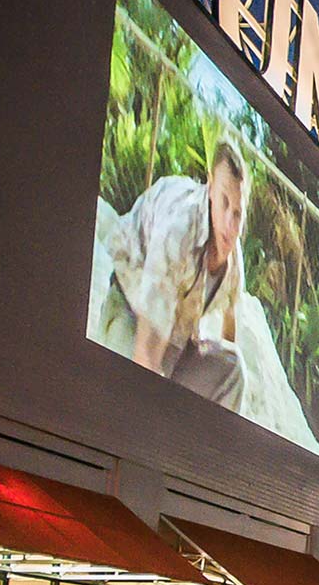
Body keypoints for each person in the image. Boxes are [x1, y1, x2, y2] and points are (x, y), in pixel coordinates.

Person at [100, 140, 250, 406]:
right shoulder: (180, 228)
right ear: (211, 187)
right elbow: (146, 351)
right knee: (127, 401)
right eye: (225, 203)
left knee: (233, 370)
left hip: (176, 342)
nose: (230, 222)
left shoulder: (234, 257)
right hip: (131, 312)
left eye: (238, 213)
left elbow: (229, 326)